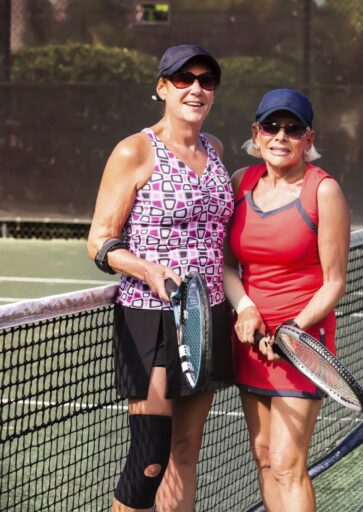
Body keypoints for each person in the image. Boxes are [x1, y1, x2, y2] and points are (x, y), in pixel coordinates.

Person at [87, 45, 233, 512]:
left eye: (206, 80)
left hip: (206, 314)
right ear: (162, 88)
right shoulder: (135, 149)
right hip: (149, 318)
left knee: (185, 453)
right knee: (149, 457)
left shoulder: (217, 150)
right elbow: (99, 241)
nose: (196, 88)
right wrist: (146, 269)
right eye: (184, 79)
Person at [224, 89, 350, 510]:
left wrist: (290, 334)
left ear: (308, 138)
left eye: (292, 128)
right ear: (256, 134)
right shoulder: (241, 181)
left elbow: (334, 282)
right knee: (263, 457)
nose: (281, 136)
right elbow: (226, 266)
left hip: (301, 344)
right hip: (250, 340)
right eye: (271, 127)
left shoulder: (324, 191)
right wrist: (245, 308)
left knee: (286, 463)